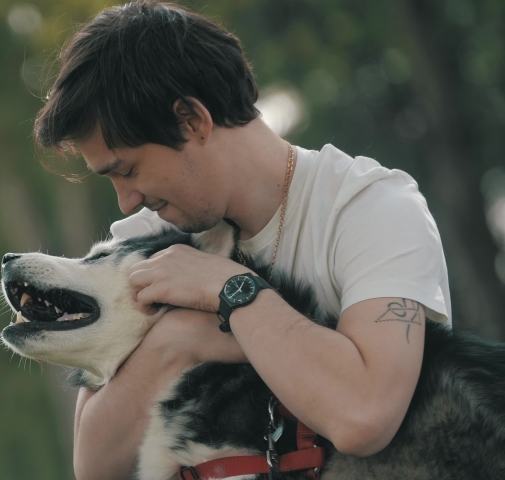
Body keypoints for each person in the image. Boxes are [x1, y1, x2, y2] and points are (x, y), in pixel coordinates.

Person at [32, 1, 451, 478]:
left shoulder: (371, 209)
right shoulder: (149, 236)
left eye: (127, 170)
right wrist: (179, 340)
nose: (126, 202)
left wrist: (232, 291)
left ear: (192, 119)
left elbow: (363, 417)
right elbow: (95, 467)